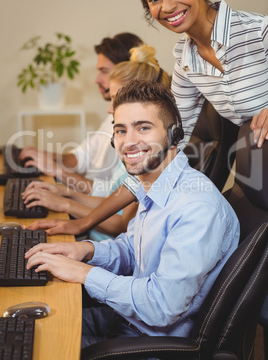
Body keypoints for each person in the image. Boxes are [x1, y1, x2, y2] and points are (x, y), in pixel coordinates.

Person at [25, 80, 240, 346]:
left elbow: (162, 306)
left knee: (36, 348)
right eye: (121, 130)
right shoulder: (153, 187)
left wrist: (83, 273)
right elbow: (134, 251)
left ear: (173, 134)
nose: (129, 142)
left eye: (144, 128)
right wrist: (87, 252)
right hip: (126, 319)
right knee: (24, 329)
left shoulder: (196, 208)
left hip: (149, 342)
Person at [23, 45, 171, 238]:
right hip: (95, 234)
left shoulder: (148, 155)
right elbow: (111, 198)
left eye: (116, 100)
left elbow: (122, 224)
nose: (110, 109)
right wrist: (66, 194)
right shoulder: (129, 148)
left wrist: (66, 202)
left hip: (103, 241)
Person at [128, 0, 268, 149]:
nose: (167, 6)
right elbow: (176, 132)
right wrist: (139, 172)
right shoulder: (185, 61)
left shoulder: (259, 31)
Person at [19, 32, 143, 196]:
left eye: (104, 71)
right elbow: (82, 157)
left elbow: (112, 196)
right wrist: (45, 157)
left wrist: (59, 174)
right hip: (85, 200)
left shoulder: (134, 132)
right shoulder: (113, 117)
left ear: (126, 72)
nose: (96, 79)